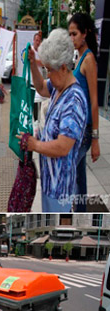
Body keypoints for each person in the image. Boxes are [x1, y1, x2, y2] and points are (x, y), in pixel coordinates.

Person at [23, 29, 88, 212]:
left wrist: (35, 145)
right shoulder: (59, 87)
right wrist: (33, 65)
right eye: (46, 69)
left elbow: (63, 146)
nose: (48, 75)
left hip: (60, 188)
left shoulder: (74, 100)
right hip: (50, 181)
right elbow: (41, 87)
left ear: (64, 68)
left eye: (50, 70)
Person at [68, 13, 100, 212]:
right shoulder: (80, 57)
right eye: (70, 34)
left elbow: (95, 101)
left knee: (69, 169)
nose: (72, 38)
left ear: (85, 33)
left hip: (85, 130)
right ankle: (80, 211)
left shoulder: (88, 60)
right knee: (79, 175)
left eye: (74, 34)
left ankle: (75, 211)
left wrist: (95, 140)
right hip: (78, 127)